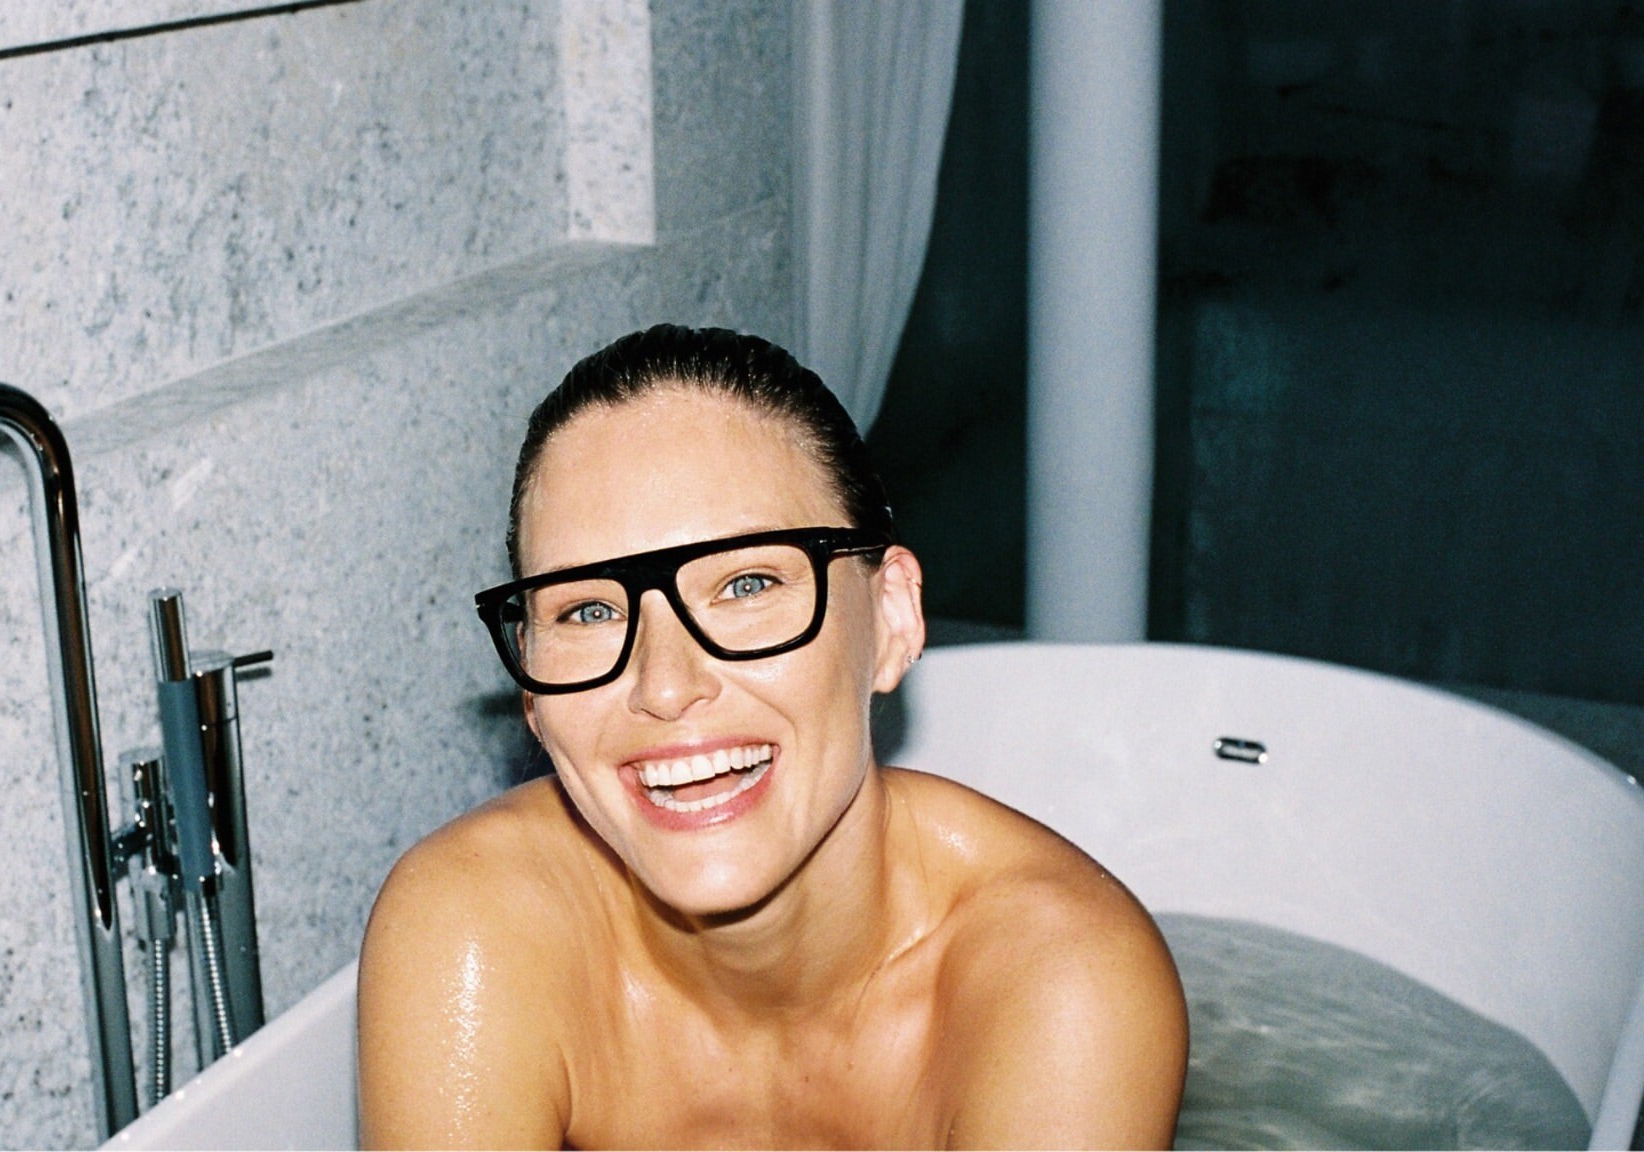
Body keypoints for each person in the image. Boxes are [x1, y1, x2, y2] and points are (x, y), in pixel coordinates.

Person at [357, 325, 1187, 1148]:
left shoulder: (1061, 982)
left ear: (892, 617)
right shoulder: (472, 930)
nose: (666, 686)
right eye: (590, 610)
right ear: (532, 693)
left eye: (747, 583)